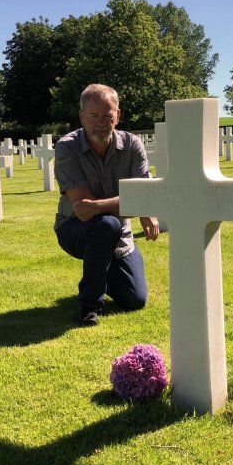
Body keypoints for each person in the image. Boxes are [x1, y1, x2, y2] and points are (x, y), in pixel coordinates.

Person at [54, 84, 159, 326]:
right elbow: (83, 208)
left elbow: (146, 195)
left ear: (118, 116)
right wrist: (137, 206)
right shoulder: (67, 147)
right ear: (82, 117)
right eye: (93, 116)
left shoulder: (132, 145)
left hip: (119, 234)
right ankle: (88, 305)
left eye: (107, 115)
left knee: (135, 299)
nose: (101, 122)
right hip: (74, 228)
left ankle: (99, 268)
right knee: (106, 224)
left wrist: (143, 205)